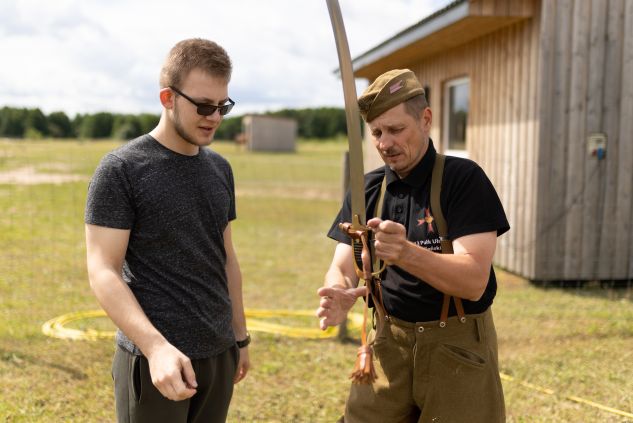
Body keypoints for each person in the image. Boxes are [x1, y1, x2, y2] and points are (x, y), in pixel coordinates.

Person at [316, 69, 509, 422]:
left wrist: (407, 253)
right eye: (376, 132)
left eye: (395, 129)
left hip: (457, 350)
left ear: (426, 120)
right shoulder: (367, 190)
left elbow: (473, 280)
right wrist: (339, 290)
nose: (384, 143)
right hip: (388, 344)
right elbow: (343, 265)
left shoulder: (463, 180)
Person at [85, 38, 250, 423]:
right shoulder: (121, 170)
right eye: (204, 106)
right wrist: (156, 347)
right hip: (155, 361)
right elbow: (102, 271)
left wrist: (239, 338)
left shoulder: (220, 168)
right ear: (168, 98)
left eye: (223, 106)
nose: (215, 117)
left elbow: (226, 257)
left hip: (218, 354)